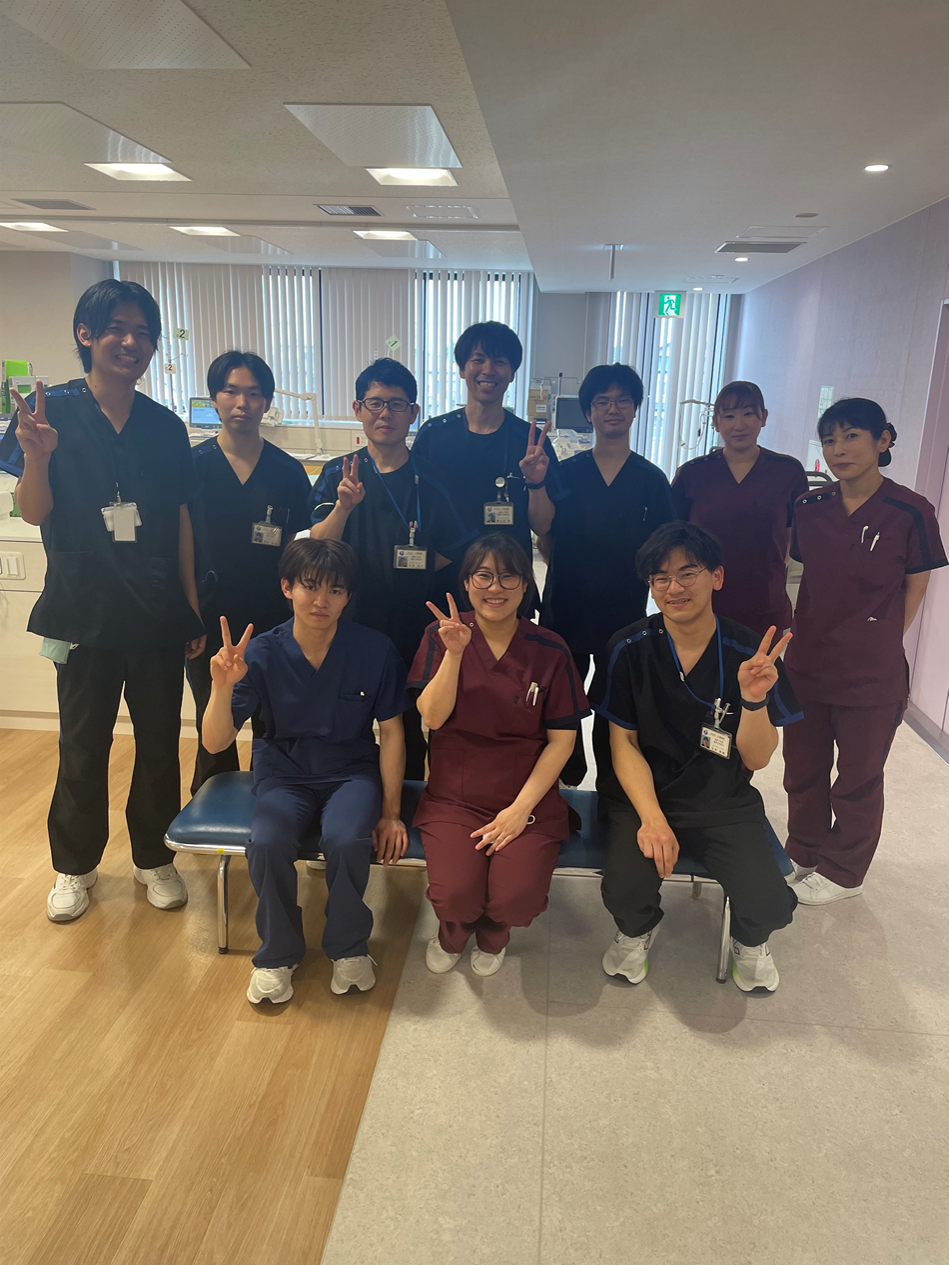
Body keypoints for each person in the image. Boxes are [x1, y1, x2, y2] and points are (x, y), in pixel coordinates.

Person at [0, 279, 204, 923]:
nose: (131, 342)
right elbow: (34, 512)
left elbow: (180, 520)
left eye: (144, 332)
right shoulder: (48, 413)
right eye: (117, 328)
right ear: (85, 334)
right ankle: (74, 865)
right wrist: (37, 457)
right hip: (82, 612)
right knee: (82, 746)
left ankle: (154, 857)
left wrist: (191, 606)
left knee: (159, 745)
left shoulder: (165, 427)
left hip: (155, 613)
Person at [591, 522, 801, 993]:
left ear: (717, 577)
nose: (674, 588)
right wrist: (651, 818)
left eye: (688, 573)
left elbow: (757, 758)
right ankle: (638, 928)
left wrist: (753, 701)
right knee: (623, 892)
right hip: (644, 796)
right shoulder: (628, 648)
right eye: (660, 578)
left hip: (720, 797)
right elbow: (622, 744)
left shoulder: (750, 653)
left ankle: (749, 938)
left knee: (769, 903)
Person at [200, 538, 409, 1005]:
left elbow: (393, 732)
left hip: (350, 774)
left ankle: (349, 947)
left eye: (335, 590)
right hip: (283, 775)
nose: (321, 600)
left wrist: (391, 812)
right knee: (267, 841)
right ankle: (277, 954)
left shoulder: (374, 650)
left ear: (348, 596)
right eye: (310, 586)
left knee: (346, 838)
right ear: (286, 588)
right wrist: (221, 687)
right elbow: (215, 742)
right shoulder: (259, 653)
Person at [783, 398, 947, 905]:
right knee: (803, 769)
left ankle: (843, 871)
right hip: (808, 663)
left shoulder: (911, 511)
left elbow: (915, 587)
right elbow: (805, 575)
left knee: (858, 776)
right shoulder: (808, 506)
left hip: (871, 673)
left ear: (883, 440)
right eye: (829, 440)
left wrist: (876, 639)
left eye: (851, 436)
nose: (838, 449)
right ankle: (804, 851)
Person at [410, 532, 588, 977]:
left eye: (509, 577)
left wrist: (519, 810)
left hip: (526, 798)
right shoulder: (441, 635)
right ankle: (452, 934)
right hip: (455, 797)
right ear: (466, 583)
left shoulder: (550, 649)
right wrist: (454, 655)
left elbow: (562, 741)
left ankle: (494, 936)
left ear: (526, 585)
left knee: (516, 898)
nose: (496, 588)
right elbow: (432, 717)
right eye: (484, 576)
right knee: (455, 895)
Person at [309, 358, 472, 779]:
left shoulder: (432, 480)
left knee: (410, 724)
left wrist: (413, 573)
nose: (386, 414)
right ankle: (351, 797)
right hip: (348, 621)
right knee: (347, 720)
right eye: (376, 403)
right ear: (357, 408)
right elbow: (317, 545)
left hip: (413, 622)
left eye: (397, 404)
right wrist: (344, 507)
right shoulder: (337, 474)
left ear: (413, 412)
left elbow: (455, 548)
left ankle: (409, 801)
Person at [539, 363, 677, 785]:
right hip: (566, 606)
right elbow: (545, 536)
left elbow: (665, 550)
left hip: (623, 612)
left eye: (622, 401)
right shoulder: (566, 472)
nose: (612, 409)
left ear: (635, 409)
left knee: (615, 703)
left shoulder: (652, 480)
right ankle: (564, 777)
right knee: (558, 696)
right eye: (602, 402)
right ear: (589, 412)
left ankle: (611, 791)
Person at [187, 350, 312, 793]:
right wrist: (188, 616)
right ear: (213, 398)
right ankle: (212, 808)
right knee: (214, 717)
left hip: (272, 617)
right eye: (231, 391)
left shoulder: (288, 471)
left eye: (254, 394)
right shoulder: (191, 467)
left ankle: (277, 804)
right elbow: (179, 547)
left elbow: (302, 547)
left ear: (267, 402)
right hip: (208, 615)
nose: (242, 403)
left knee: (274, 717)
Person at [410, 321, 567, 567]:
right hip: (446, 575)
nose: (488, 370)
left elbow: (542, 526)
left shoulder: (531, 441)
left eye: (500, 362)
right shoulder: (433, 435)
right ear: (462, 369)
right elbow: (413, 508)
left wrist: (535, 483)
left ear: (512, 374)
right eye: (478, 360)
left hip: (508, 577)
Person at [672, 381, 809, 637]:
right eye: (729, 416)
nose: (739, 424)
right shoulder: (692, 474)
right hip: (702, 600)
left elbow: (793, 537)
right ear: (716, 422)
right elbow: (674, 539)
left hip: (763, 601)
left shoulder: (787, 472)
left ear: (763, 417)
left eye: (748, 413)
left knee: (760, 662)